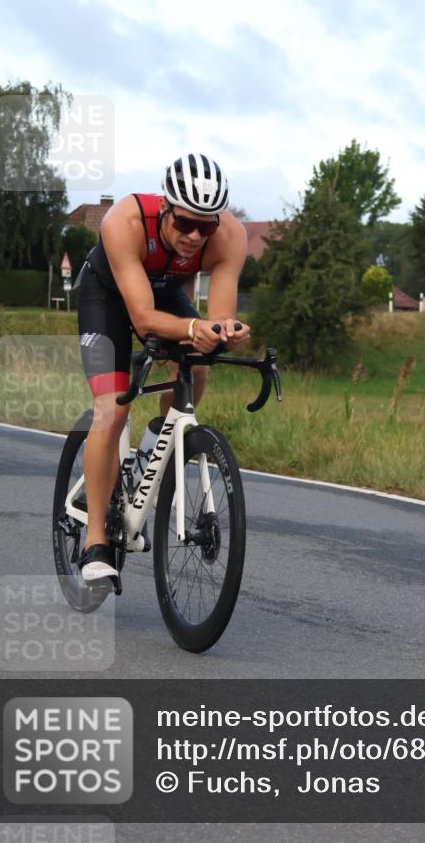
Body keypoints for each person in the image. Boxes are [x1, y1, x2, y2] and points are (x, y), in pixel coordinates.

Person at [76, 153, 250, 583]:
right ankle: (94, 540)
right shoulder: (125, 222)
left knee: (199, 364)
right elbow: (143, 318)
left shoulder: (229, 236)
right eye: (185, 223)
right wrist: (194, 325)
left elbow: (219, 316)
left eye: (205, 226)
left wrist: (226, 329)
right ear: (165, 208)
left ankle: (156, 440)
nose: (195, 236)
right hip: (108, 298)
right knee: (112, 410)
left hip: (165, 292)